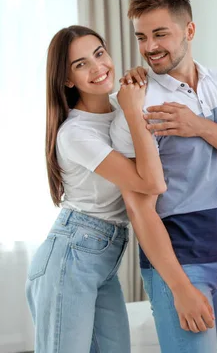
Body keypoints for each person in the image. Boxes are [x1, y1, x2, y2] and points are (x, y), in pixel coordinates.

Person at [109, 0, 217, 352]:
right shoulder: (139, 104)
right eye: (141, 37)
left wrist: (197, 125)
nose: (150, 47)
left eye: (160, 34)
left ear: (190, 30)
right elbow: (138, 207)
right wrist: (179, 288)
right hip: (178, 262)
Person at [25, 25, 166, 353]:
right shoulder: (75, 133)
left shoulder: (120, 110)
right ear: (68, 79)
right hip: (72, 254)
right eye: (81, 64)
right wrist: (131, 109)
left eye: (99, 54)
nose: (97, 67)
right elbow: (151, 182)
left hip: (103, 256)